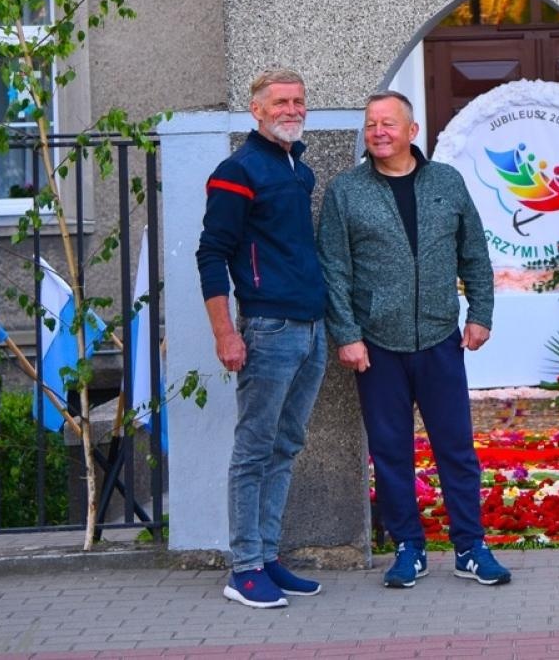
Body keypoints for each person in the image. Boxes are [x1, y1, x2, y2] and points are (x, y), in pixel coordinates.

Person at [318, 90, 510, 588]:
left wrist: (480, 314)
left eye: (387, 123)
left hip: (440, 340)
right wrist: (347, 334)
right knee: (390, 450)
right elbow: (334, 270)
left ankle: (470, 548)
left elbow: (474, 253)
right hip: (376, 346)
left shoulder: (446, 182)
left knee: (456, 449)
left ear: (411, 131)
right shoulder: (347, 191)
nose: (377, 132)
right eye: (370, 125)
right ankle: (409, 547)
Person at [196, 68, 330, 608]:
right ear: (257, 110)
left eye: (299, 101)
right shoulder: (237, 170)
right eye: (280, 101)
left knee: (286, 445)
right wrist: (225, 332)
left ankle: (269, 557)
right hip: (268, 329)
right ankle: (244, 567)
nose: (292, 109)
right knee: (253, 451)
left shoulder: (300, 170)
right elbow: (211, 254)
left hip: (312, 327)